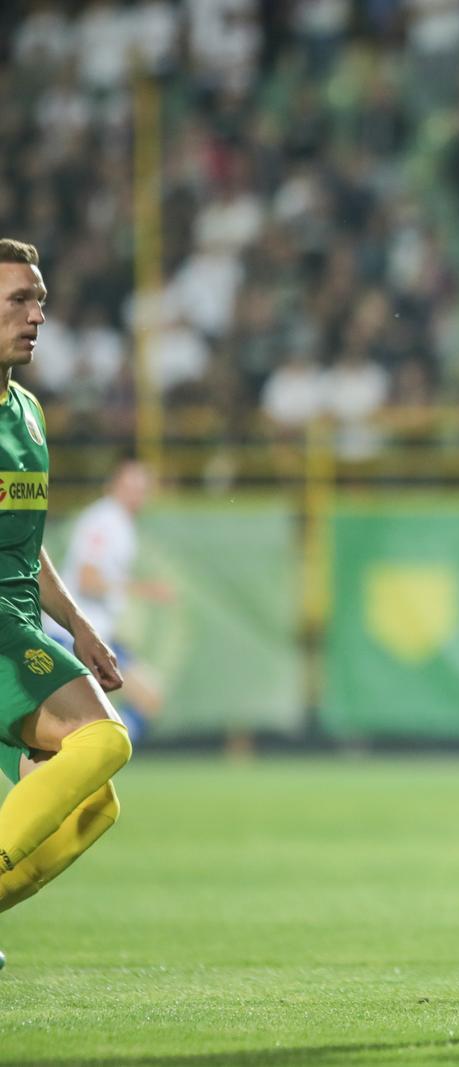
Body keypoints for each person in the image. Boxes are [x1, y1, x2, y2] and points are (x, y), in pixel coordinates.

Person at [0, 239, 132, 964]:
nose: (37, 314)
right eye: (19, 298)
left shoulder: (28, 413)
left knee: (92, 807)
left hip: (20, 620)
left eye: (41, 298)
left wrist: (77, 625)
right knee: (107, 740)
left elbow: (28, 538)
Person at [46, 457, 172, 744]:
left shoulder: (119, 523)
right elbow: (88, 579)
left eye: (141, 487)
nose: (137, 494)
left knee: (147, 699)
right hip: (73, 635)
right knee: (85, 722)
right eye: (129, 486)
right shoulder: (105, 520)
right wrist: (145, 589)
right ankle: (97, 756)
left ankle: (100, 754)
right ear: (112, 486)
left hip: (97, 634)